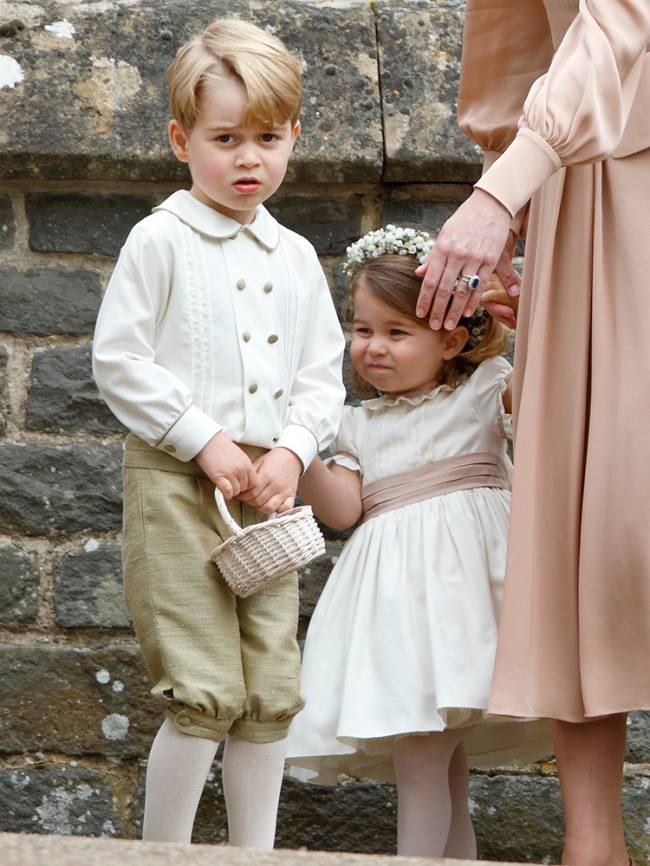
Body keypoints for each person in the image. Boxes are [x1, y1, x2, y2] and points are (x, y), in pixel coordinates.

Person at [92, 18, 345, 848]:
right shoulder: (159, 240)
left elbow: (321, 372)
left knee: (269, 683)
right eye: (226, 137)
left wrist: (294, 451)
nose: (249, 158)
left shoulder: (297, 256)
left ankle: (254, 856)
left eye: (268, 138)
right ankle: (163, 854)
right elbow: (120, 359)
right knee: (202, 685)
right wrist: (203, 439)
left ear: (293, 137)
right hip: (177, 479)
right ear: (180, 139)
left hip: (269, 491)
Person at [415, 4, 650, 866]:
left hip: (616, 183)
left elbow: (622, 21)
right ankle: (594, 849)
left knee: (631, 525)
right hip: (581, 191)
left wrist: (499, 193)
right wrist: (505, 191)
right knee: (578, 523)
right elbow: (516, 34)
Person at [285, 226, 551, 859]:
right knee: (432, 753)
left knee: (426, 751)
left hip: (469, 603)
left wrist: (532, 314)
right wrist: (293, 447)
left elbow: (547, 394)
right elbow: (344, 510)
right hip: (400, 611)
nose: (374, 347)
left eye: (397, 333)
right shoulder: (354, 425)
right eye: (363, 330)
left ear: (452, 339)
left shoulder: (485, 390)